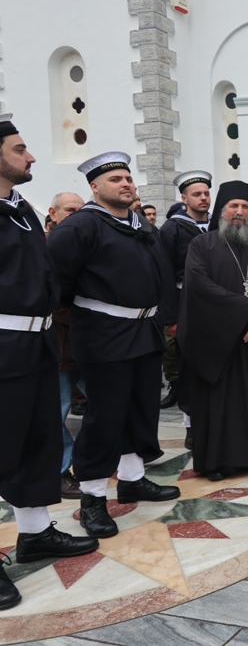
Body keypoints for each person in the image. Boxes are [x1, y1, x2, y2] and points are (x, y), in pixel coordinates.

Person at [48, 151, 180, 538]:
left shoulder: (142, 225)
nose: (125, 183)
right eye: (114, 179)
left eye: (127, 177)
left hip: (145, 332)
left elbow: (162, 273)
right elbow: (56, 283)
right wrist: (92, 317)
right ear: (94, 187)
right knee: (104, 417)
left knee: (140, 410)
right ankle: (92, 498)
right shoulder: (80, 227)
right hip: (104, 336)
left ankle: (133, 478)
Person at [0, 114, 98, 610]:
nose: (32, 156)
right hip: (2, 345)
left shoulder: (19, 209)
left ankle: (34, 532)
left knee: (37, 441)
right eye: (20, 149)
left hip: (36, 345)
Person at [179, 180, 248, 481]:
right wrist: (243, 312)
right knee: (221, 404)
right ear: (222, 211)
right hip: (219, 342)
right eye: (233, 207)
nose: (239, 212)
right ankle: (218, 460)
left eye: (244, 207)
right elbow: (198, 286)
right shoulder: (202, 244)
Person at [159, 171, 213, 444]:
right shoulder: (172, 228)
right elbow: (165, 274)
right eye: (197, 194)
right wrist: (172, 317)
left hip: (216, 308)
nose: (203, 198)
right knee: (189, 367)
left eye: (206, 193)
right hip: (186, 307)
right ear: (184, 198)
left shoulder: (216, 226)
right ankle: (192, 424)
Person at [46, 193, 86, 499]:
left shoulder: (87, 244)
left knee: (107, 403)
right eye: (70, 210)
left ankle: (89, 459)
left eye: (81, 211)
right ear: (54, 214)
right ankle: (60, 471)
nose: (76, 215)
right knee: (55, 412)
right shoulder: (44, 246)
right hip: (58, 347)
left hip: (91, 345)